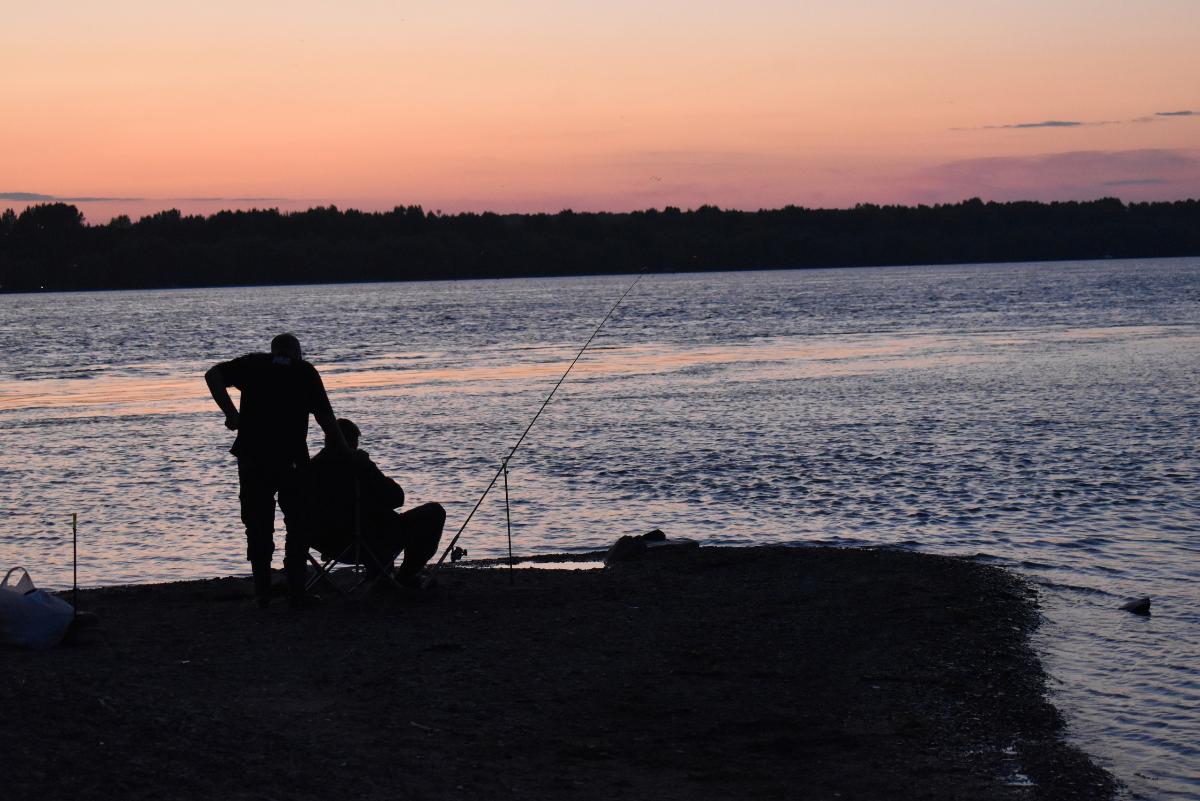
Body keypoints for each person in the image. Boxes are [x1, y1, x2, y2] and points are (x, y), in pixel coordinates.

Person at [206, 333, 349, 607]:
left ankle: (263, 593)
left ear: (274, 351)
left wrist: (231, 413)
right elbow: (325, 417)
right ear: (298, 352)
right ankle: (296, 591)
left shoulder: (253, 364)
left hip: (252, 458)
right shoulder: (304, 371)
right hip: (291, 459)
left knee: (257, 524)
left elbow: (212, 375)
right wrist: (345, 452)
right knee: (298, 523)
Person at [280, 418, 445, 599]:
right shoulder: (359, 466)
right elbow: (397, 497)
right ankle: (405, 576)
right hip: (368, 541)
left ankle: (380, 576)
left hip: (328, 544)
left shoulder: (310, 470)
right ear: (350, 443)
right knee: (434, 513)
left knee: (377, 519)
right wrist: (368, 466)